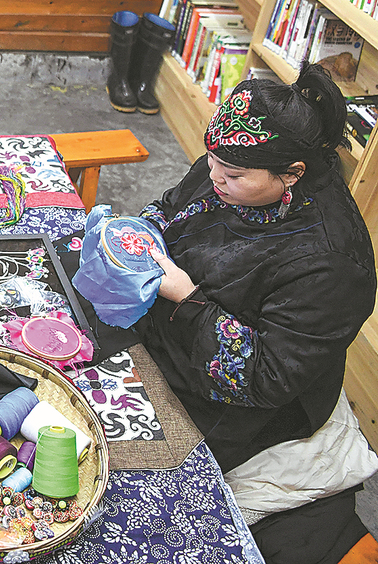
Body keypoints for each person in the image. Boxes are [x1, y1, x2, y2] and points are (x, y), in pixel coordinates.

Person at [137, 65, 376, 561]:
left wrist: (185, 298)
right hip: (166, 330)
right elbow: (172, 207)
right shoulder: (230, 156)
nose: (214, 174)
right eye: (212, 160)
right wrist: (140, 235)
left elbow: (264, 378)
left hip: (237, 407)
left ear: (292, 174)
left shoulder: (330, 264)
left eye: (234, 174)